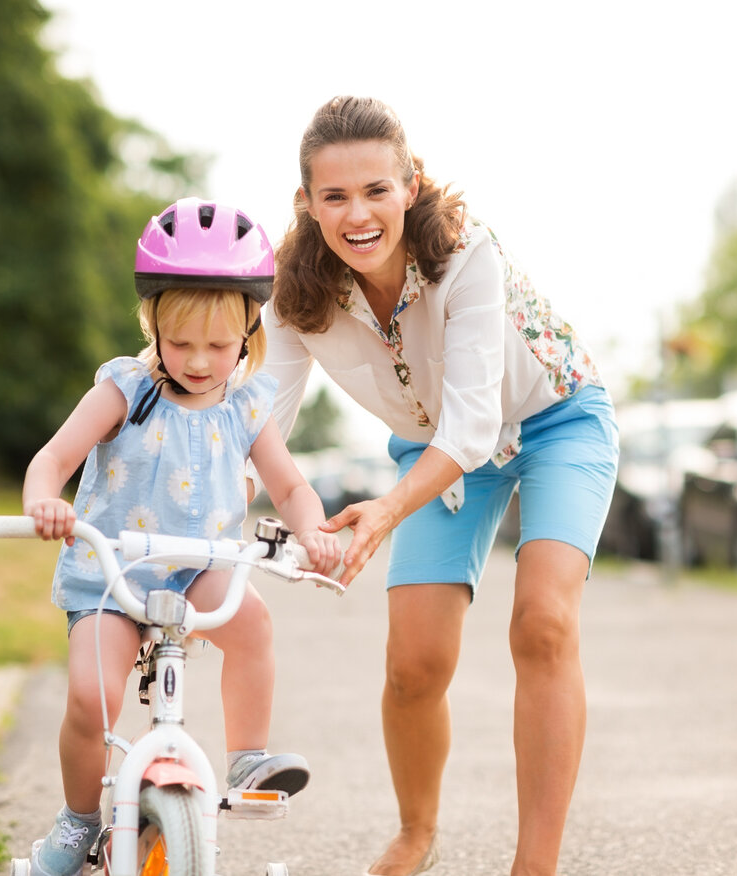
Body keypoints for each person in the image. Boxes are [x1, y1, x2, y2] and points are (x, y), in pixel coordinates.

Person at [264, 96, 619, 876]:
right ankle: (417, 832)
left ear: (411, 185)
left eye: (376, 190)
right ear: (308, 203)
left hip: (555, 420)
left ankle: (536, 866)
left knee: (543, 624)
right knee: (414, 666)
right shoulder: (294, 295)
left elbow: (470, 426)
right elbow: (261, 425)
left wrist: (383, 513)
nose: (358, 214)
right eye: (335, 196)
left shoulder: (466, 254)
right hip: (439, 450)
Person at [20, 197, 342, 876]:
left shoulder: (248, 406)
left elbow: (290, 488)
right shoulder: (125, 388)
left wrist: (313, 531)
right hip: (113, 573)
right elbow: (53, 459)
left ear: (250, 331)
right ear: (154, 323)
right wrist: (43, 502)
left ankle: (249, 755)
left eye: (219, 345)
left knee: (251, 620)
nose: (199, 361)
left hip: (198, 570)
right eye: (181, 342)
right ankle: (80, 823)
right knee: (91, 695)